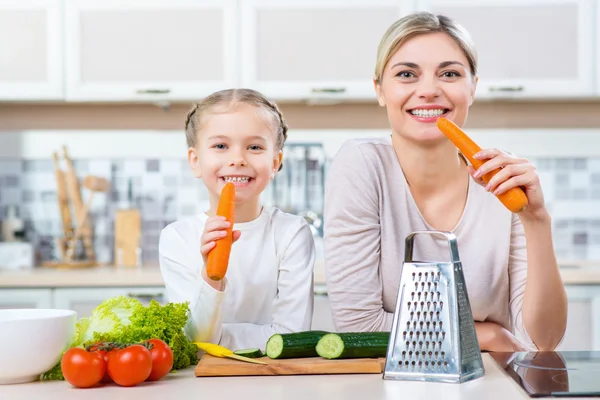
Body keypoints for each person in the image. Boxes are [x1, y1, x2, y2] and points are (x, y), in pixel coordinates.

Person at [323, 12, 567, 351]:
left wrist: (536, 220)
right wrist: (487, 334)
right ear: (380, 90)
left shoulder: (501, 179)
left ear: (473, 88)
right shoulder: (362, 164)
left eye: (449, 73)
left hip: (492, 383)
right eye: (407, 74)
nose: (428, 91)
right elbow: (360, 327)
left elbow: (543, 339)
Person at [159, 88, 316, 351]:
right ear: (195, 161)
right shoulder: (177, 238)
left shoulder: (291, 233)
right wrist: (211, 279)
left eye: (254, 147)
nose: (237, 160)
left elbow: (291, 337)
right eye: (220, 146)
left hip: (275, 381)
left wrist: (220, 338)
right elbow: (194, 342)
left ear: (275, 162)